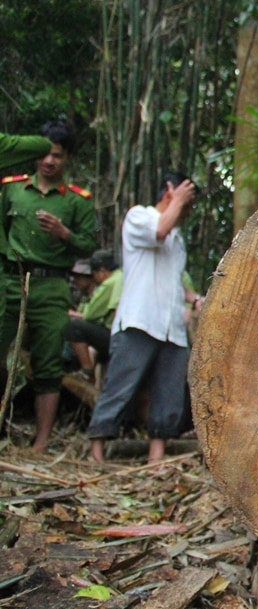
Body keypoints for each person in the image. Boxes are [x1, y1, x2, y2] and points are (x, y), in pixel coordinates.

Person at [87, 172, 200, 464]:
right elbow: (159, 231)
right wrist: (178, 200)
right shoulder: (139, 217)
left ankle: (156, 457)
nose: (188, 212)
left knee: (168, 391)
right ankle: (96, 452)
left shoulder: (178, 240)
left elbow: (176, 281)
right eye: (188, 204)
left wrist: (196, 300)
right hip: (140, 319)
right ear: (169, 193)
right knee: (120, 386)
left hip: (171, 327)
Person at [0, 120, 98, 453]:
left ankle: (40, 443)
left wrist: (63, 233)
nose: (49, 161)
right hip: (10, 280)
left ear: (67, 158)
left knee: (47, 364)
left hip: (51, 285)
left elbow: (88, 245)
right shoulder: (12, 188)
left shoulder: (77, 201)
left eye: (57, 155)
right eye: (44, 154)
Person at [66, 249, 123, 381]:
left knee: (74, 326)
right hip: (128, 336)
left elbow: (90, 314)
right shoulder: (122, 275)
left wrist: (74, 314)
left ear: (102, 271)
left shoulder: (110, 282)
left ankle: (87, 371)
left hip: (116, 336)